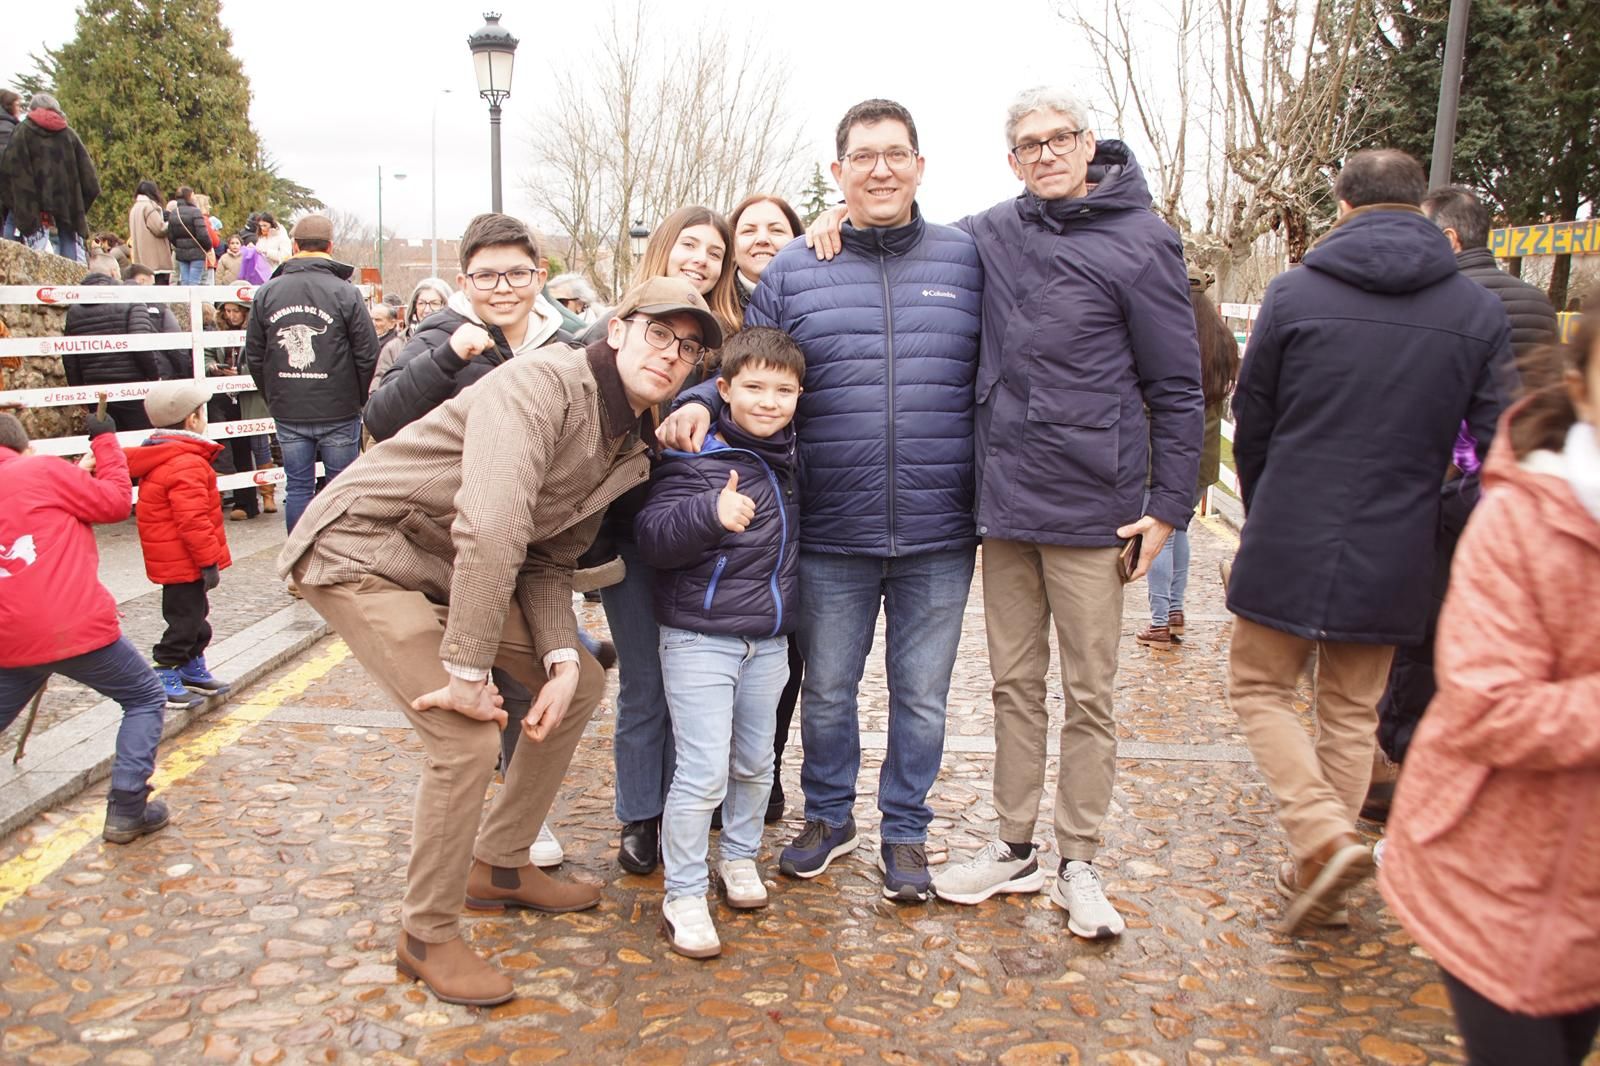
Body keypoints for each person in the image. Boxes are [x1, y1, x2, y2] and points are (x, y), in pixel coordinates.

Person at [802, 89, 1201, 931]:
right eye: (1030, 143)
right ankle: (1013, 847)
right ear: (1011, 160)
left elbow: (1177, 384)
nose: (1047, 152)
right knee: (1015, 689)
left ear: (1091, 143)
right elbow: (899, 229)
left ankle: (1080, 859)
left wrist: (1170, 505)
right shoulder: (990, 233)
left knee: (1090, 694)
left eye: (1061, 138)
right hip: (1009, 510)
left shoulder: (1143, 240)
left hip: (1097, 510)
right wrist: (829, 222)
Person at [278, 274, 721, 1007]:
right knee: (464, 737)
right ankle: (427, 935)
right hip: (364, 548)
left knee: (579, 676)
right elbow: (491, 526)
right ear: (617, 329)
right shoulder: (542, 384)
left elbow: (547, 556)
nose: (671, 355)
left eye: (688, 347)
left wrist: (554, 656)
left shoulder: (631, 442)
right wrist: (466, 668)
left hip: (443, 564)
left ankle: (504, 861)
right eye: (657, 333)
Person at [662, 100, 983, 902]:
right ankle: (830, 816)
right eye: (863, 157)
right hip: (832, 524)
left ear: (920, 164)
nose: (881, 169)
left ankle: (905, 830)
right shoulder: (800, 268)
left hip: (940, 526)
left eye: (896, 154)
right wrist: (702, 394)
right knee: (830, 688)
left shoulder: (967, 258)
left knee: (921, 695)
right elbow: (749, 362)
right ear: (838, 172)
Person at [1226, 149, 1512, 933]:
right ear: (1420, 208)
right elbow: (1499, 446)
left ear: (1342, 205)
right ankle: (1313, 866)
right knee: (1351, 713)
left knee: (1258, 687)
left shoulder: (1291, 294)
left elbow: (1253, 423)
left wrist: (1267, 502)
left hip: (1291, 524)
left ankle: (1320, 836)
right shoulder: (1477, 312)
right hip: (1399, 540)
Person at [1378, 307, 1600, 1066]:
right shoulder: (1521, 523)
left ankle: (1326, 833)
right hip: (1499, 878)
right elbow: (1485, 703)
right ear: (1578, 387)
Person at [362, 213, 585, 867]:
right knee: (465, 675)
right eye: (487, 275)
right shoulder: (436, 335)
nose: (503, 286)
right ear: (465, 280)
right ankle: (463, 825)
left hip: (531, 534)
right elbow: (380, 417)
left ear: (538, 276)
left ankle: (519, 820)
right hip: (447, 535)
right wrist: (446, 357)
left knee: (523, 674)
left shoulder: (564, 344)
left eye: (517, 272)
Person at [1362, 184, 1563, 819]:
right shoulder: (1536, 303)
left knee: (1421, 635)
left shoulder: (1445, 306)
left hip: (1448, 490)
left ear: (1448, 240)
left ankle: (1409, 768)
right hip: (1520, 494)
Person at [635, 327, 803, 958]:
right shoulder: (695, 454)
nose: (768, 401)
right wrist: (709, 515)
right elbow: (653, 537)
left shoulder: (794, 458)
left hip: (769, 641)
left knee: (758, 762)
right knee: (703, 771)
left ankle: (738, 858)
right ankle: (681, 893)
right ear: (724, 389)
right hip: (700, 640)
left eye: (783, 390)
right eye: (754, 387)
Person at [589, 205, 743, 876]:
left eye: (715, 251)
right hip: (629, 535)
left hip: (704, 539)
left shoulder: (729, 340)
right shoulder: (617, 330)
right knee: (645, 682)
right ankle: (639, 814)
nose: (702, 259)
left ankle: (688, 802)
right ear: (663, 250)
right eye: (690, 245)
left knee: (696, 685)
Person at [0, 411, 173, 844]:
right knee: (144, 697)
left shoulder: (39, 473)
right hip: (69, 622)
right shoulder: (40, 469)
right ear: (23, 445)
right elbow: (113, 503)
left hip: (8, 633)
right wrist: (106, 443)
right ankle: (127, 807)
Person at [725, 191, 806, 823]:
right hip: (716, 495)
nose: (761, 237)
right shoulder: (712, 304)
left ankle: (766, 771)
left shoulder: (812, 285)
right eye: (747, 228)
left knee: (783, 657)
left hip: (795, 492)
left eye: (775, 228)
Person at [243, 213, 379, 533]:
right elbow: (367, 353)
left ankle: (298, 571)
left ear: (294, 246)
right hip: (339, 407)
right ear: (330, 247)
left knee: (299, 488)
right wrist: (355, 397)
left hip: (289, 408)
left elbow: (254, 355)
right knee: (340, 490)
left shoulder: (267, 292)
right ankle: (336, 566)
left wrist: (274, 395)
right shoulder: (346, 293)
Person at [1137, 276, 1241, 646]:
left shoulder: (1169, 336)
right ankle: (1176, 609)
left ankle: (1160, 620)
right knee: (1180, 528)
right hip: (1205, 453)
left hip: (1163, 453)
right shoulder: (1221, 341)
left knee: (1160, 534)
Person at [125, 380, 232, 706]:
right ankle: (166, 667)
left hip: (177, 559)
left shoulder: (169, 455)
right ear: (192, 420)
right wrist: (207, 561)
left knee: (196, 617)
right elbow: (193, 520)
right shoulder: (186, 462)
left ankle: (191, 665)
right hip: (183, 561)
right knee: (185, 621)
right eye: (203, 412)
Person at [62, 255, 166, 431]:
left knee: (106, 442)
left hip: (95, 389)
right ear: (113, 272)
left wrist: (80, 392)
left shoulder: (75, 309)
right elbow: (140, 343)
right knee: (138, 444)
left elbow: (70, 356)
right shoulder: (130, 299)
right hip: (132, 388)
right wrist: (154, 376)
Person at [0, 93, 99, 264]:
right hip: (66, 201)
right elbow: (90, 179)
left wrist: (17, 201)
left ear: (32, 109)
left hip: (30, 200)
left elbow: (9, 168)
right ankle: (72, 284)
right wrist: (79, 206)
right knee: (69, 239)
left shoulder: (22, 132)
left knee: (29, 254)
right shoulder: (69, 135)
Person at [208, 299, 262, 520]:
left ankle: (248, 502)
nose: (231, 315)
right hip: (222, 395)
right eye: (227, 311)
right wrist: (212, 368)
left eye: (235, 311)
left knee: (246, 447)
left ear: (245, 311)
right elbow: (206, 355)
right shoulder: (214, 333)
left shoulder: (256, 331)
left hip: (248, 397)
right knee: (223, 444)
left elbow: (262, 360)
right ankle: (233, 498)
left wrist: (241, 373)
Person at [728, 194, 804, 309]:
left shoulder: (823, 299)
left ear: (798, 241)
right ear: (732, 249)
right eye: (748, 231)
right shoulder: (707, 308)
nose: (762, 239)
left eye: (776, 230)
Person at [166, 186, 214, 287]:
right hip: (197, 253)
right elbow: (202, 234)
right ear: (189, 196)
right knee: (194, 282)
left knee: (185, 281)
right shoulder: (195, 212)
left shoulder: (174, 213)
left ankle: (185, 302)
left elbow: (171, 235)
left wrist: (180, 245)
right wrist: (208, 247)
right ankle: (194, 303)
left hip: (182, 252)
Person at [129, 181, 174, 284]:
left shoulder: (135, 208)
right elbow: (159, 229)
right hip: (154, 259)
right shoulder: (149, 207)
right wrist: (171, 222)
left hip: (141, 258)